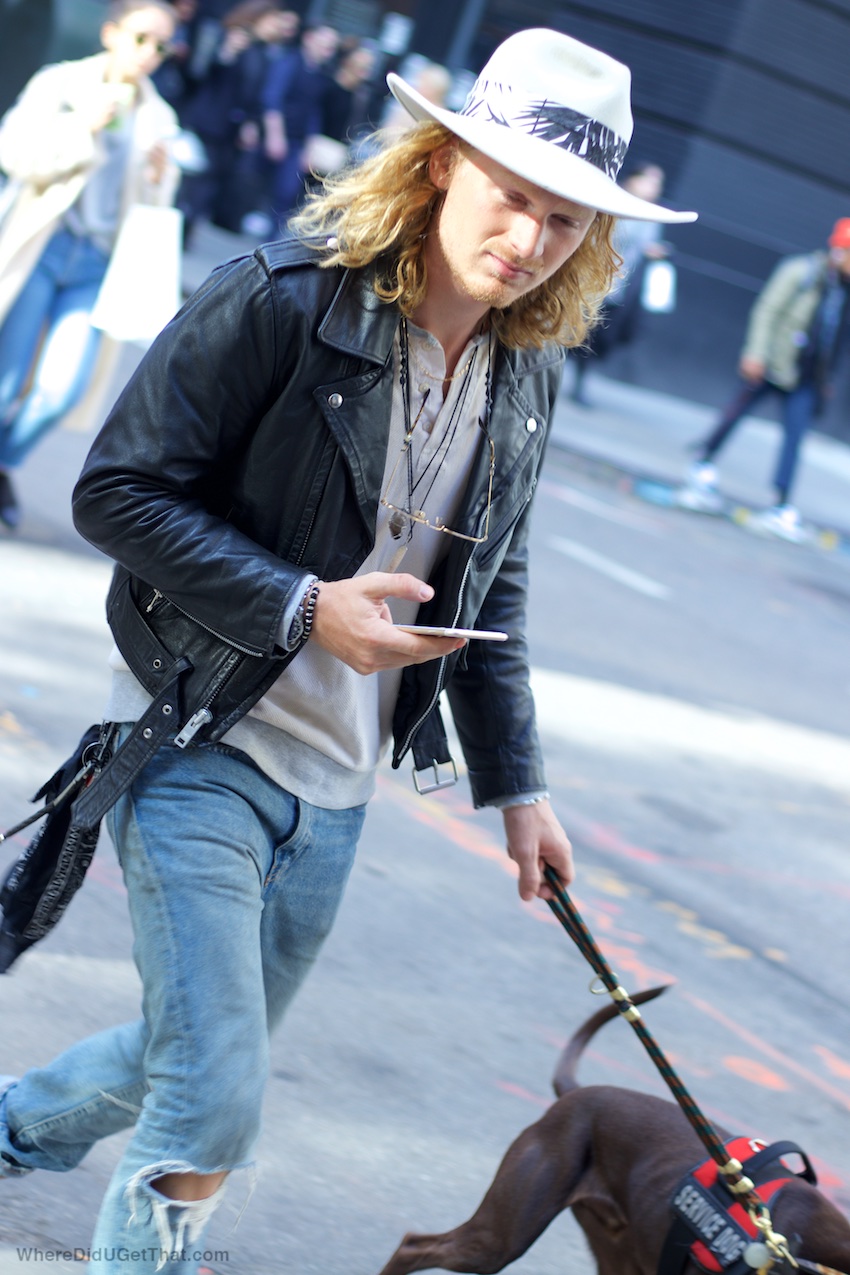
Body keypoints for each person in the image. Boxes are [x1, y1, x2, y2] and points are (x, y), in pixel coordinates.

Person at [0, 27, 695, 1275]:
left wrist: (519, 789)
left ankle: (8, 1129)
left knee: (195, 1050)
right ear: (441, 164)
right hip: (197, 740)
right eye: (512, 197)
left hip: (338, 791)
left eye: (563, 221)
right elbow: (117, 490)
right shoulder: (281, 298)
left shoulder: (522, 371)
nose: (528, 239)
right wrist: (303, 606)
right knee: (214, 1097)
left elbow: (497, 590)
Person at [0, 0, 179, 531]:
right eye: (141, 38)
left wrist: (157, 178)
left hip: (98, 263)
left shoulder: (159, 117)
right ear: (110, 33)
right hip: (44, 245)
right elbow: (15, 155)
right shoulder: (59, 86)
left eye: (161, 46)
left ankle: (4, 461)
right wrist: (83, 127)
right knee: (6, 383)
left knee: (62, 389)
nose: (148, 54)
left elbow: (153, 208)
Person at [681, 218, 850, 539]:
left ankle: (781, 502)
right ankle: (702, 460)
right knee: (737, 412)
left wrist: (827, 377)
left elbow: (836, 336)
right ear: (840, 251)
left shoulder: (844, 289)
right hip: (774, 362)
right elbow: (767, 310)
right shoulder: (802, 272)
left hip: (806, 374)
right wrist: (755, 354)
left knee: (795, 436)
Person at [569, 162, 670, 405]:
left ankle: (578, 382)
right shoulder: (612, 202)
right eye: (649, 180)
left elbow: (644, 245)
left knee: (597, 339)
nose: (654, 188)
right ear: (634, 179)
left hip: (620, 289)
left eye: (658, 184)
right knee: (573, 331)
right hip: (591, 282)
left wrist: (652, 251)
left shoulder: (652, 215)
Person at [261, 22, 339, 225]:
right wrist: (274, 135)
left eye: (330, 47)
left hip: (297, 141)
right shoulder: (289, 63)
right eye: (324, 45)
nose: (327, 51)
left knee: (287, 192)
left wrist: (309, 147)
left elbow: (314, 113)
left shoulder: (320, 75)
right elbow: (272, 99)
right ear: (309, 39)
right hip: (276, 134)